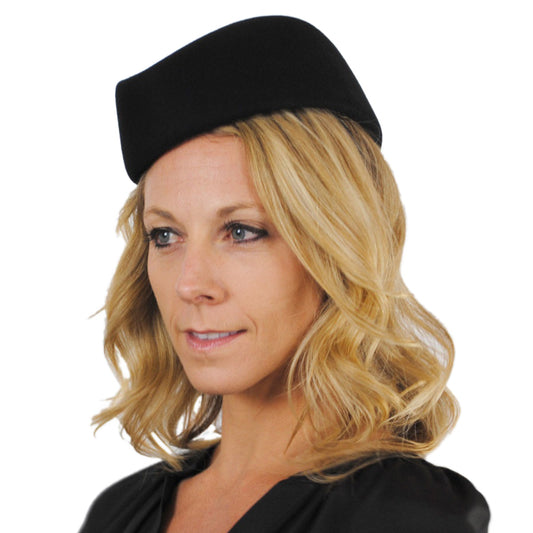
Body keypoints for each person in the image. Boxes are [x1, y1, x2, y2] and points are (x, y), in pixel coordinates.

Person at [79, 15, 490, 533]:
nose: (189, 284)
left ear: (335, 245)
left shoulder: (404, 515)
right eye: (165, 235)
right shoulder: (119, 512)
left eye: (241, 232)